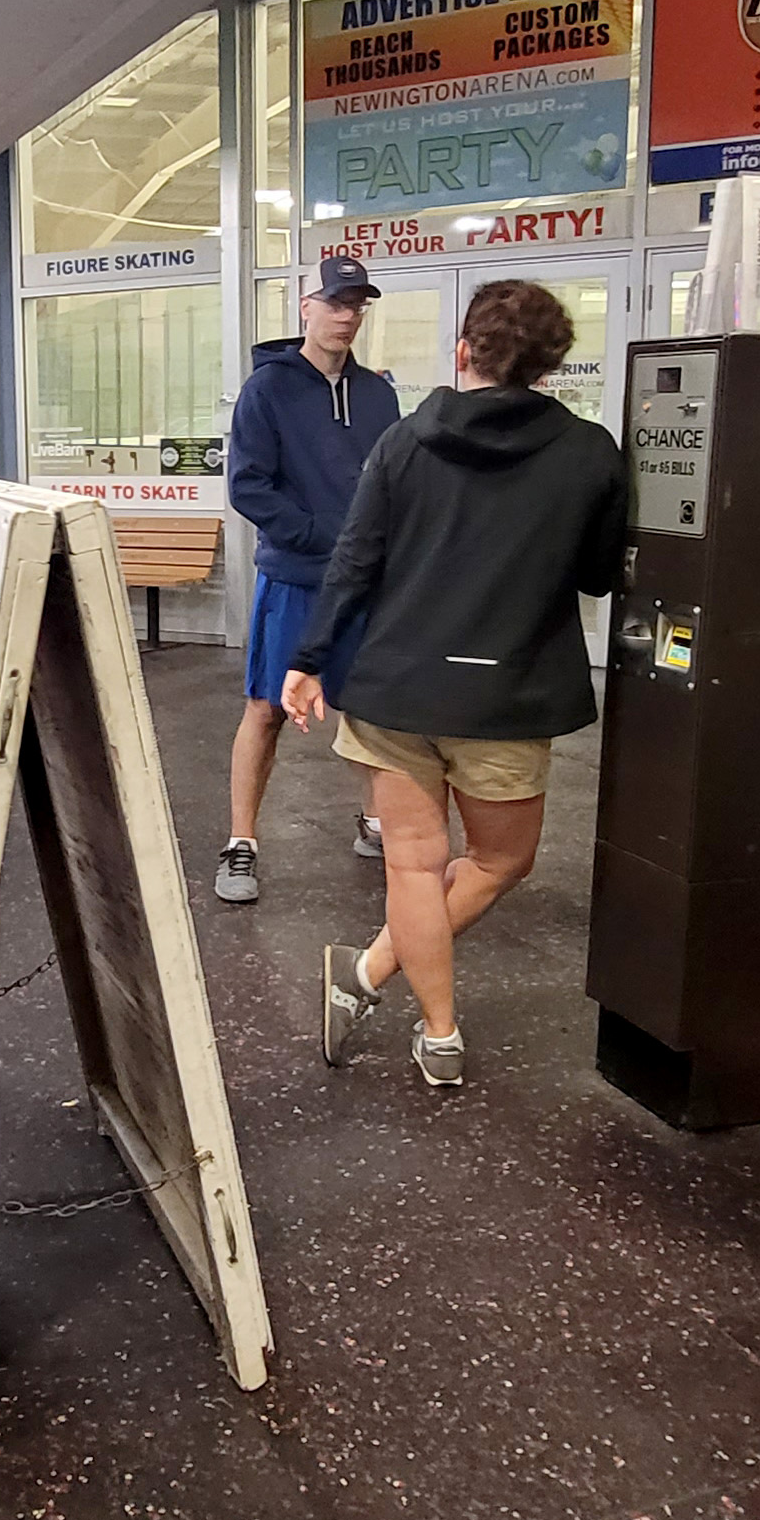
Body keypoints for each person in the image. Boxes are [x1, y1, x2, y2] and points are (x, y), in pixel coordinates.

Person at [291, 280, 625, 1087]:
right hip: (506, 695)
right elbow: (598, 574)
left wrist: (307, 659)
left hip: (395, 688)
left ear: (464, 352)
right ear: (552, 367)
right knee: (500, 860)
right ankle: (371, 978)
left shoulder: (404, 441)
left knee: (411, 862)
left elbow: (356, 561)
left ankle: (431, 1029)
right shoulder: (590, 453)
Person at [217, 256, 401, 905]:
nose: (347, 315)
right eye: (335, 302)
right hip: (295, 578)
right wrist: (324, 535)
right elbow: (248, 487)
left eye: (357, 304)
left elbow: (392, 482)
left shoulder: (380, 394)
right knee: (266, 709)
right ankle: (242, 843)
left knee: (370, 713)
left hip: (366, 586)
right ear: (306, 305)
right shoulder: (267, 389)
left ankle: (376, 822)